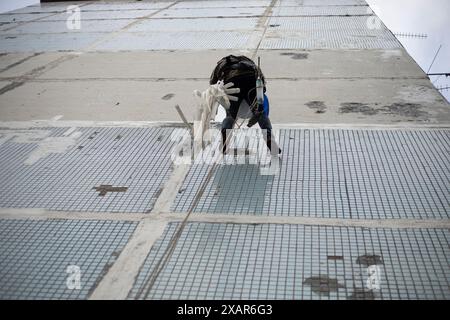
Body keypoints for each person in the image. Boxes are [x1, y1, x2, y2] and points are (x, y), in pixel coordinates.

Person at [210, 55, 281, 155]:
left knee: (230, 115)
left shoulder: (223, 67)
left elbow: (214, 86)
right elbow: (263, 86)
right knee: (260, 113)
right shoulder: (250, 64)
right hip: (251, 79)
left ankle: (224, 140)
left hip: (232, 81)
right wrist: (258, 100)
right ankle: (269, 138)